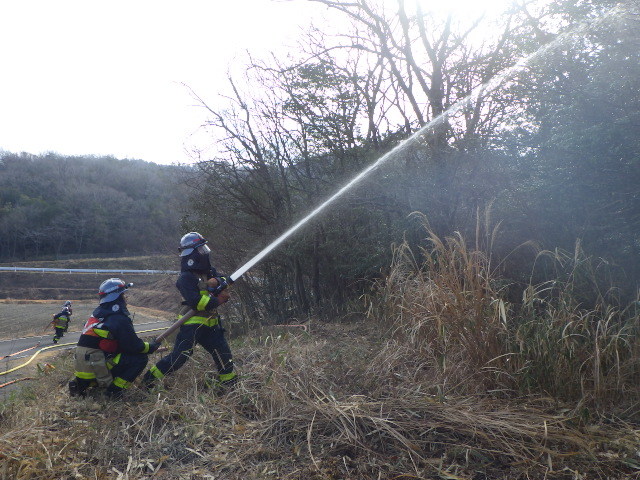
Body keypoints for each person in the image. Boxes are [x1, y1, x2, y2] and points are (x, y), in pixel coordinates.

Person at [142, 232, 237, 390]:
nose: (205, 252)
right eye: (201, 250)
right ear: (192, 254)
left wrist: (218, 281)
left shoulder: (209, 272)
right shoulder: (185, 278)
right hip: (192, 326)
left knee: (223, 354)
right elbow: (197, 302)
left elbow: (226, 279)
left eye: (205, 249)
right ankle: (149, 379)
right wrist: (218, 300)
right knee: (179, 357)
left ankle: (229, 385)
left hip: (211, 325)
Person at [68, 278, 161, 399]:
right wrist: (151, 346)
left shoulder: (98, 314)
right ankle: (114, 392)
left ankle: (81, 384)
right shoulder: (117, 318)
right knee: (140, 358)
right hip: (95, 365)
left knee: (118, 354)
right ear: (117, 297)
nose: (125, 298)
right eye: (123, 295)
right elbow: (134, 346)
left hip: (83, 367)